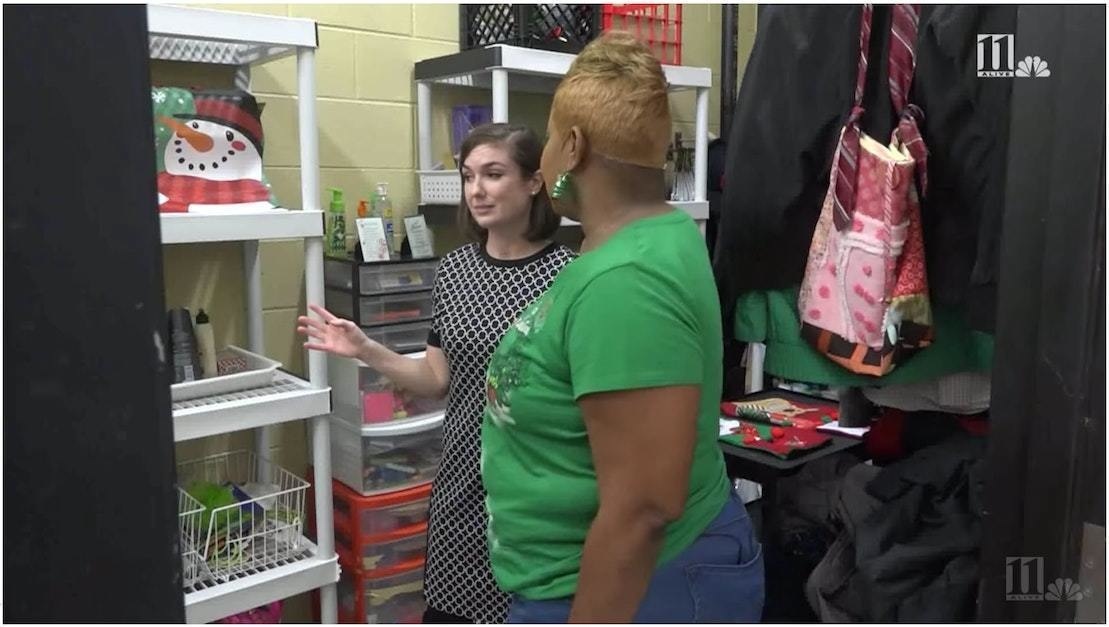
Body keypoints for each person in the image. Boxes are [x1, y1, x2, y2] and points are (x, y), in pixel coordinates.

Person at [480, 32, 765, 623]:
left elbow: (643, 507)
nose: (546, 157)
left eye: (552, 139)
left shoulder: (626, 278)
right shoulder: (640, 239)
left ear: (575, 146)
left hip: (638, 588)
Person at [298, 123, 575, 624]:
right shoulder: (455, 269)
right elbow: (436, 378)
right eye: (469, 176)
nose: (477, 190)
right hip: (461, 482)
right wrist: (365, 348)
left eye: (493, 174)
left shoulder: (567, 277)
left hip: (531, 486)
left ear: (534, 182)